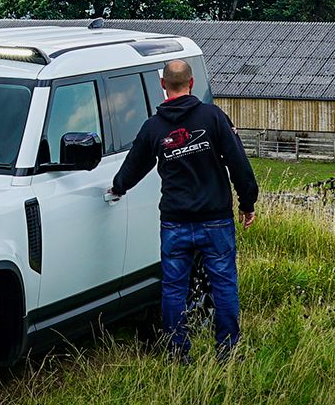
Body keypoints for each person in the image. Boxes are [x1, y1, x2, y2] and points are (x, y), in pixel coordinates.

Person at [108, 59, 258, 361]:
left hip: (175, 222)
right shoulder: (213, 117)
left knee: (174, 288)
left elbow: (135, 165)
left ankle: (178, 351)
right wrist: (247, 203)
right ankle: (228, 350)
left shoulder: (154, 127)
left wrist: (117, 188)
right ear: (191, 84)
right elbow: (238, 163)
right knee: (224, 283)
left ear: (163, 85)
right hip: (215, 220)